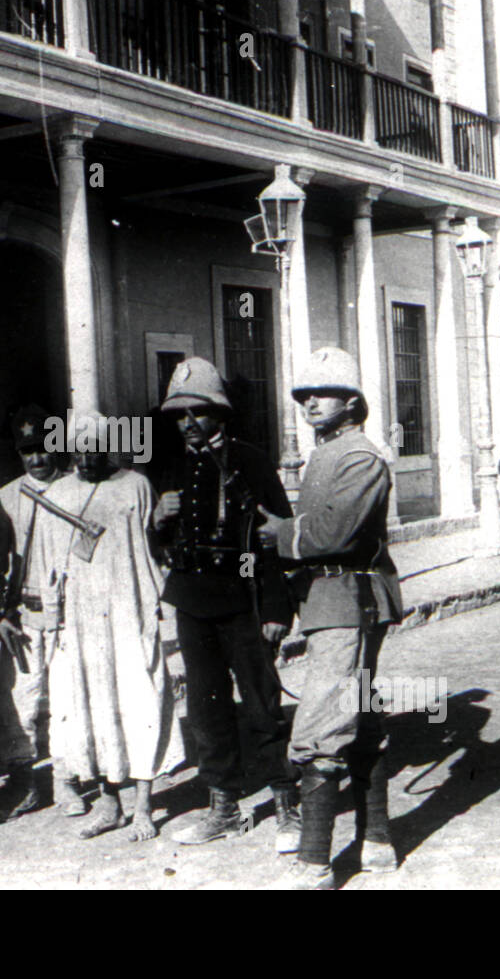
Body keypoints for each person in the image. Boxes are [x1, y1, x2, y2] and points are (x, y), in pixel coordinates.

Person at [257, 348, 403, 890]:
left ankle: (315, 863)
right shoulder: (327, 454)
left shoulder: (360, 456)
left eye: (321, 394)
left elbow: (336, 534)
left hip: (352, 598)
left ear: (352, 401)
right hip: (331, 599)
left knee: (321, 722)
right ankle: (378, 840)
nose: (309, 403)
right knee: (359, 714)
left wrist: (282, 534)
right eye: (302, 396)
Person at [150, 358, 298, 852]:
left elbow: (277, 537)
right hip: (192, 600)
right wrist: (157, 518)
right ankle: (225, 808)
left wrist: (277, 609)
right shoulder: (171, 465)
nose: (187, 423)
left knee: (261, 702)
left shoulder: (251, 461)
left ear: (220, 412)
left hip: (244, 594)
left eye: (197, 413)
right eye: (179, 415)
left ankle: (285, 803)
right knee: (207, 706)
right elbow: (158, 547)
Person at [35, 412, 185, 842]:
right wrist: (53, 618)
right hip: (80, 620)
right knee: (90, 705)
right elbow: (50, 565)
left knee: (139, 700)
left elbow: (153, 548)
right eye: (78, 448)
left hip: (127, 611)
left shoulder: (135, 486)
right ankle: (108, 803)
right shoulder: (59, 494)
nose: (86, 457)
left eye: (95, 447)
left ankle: (143, 807)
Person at [0, 404, 66, 820]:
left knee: (71, 699)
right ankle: (23, 783)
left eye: (45, 447)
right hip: (25, 615)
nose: (38, 458)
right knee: (20, 702)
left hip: (70, 613)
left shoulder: (76, 489)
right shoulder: (7, 497)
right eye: (28, 450)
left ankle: (74, 780)